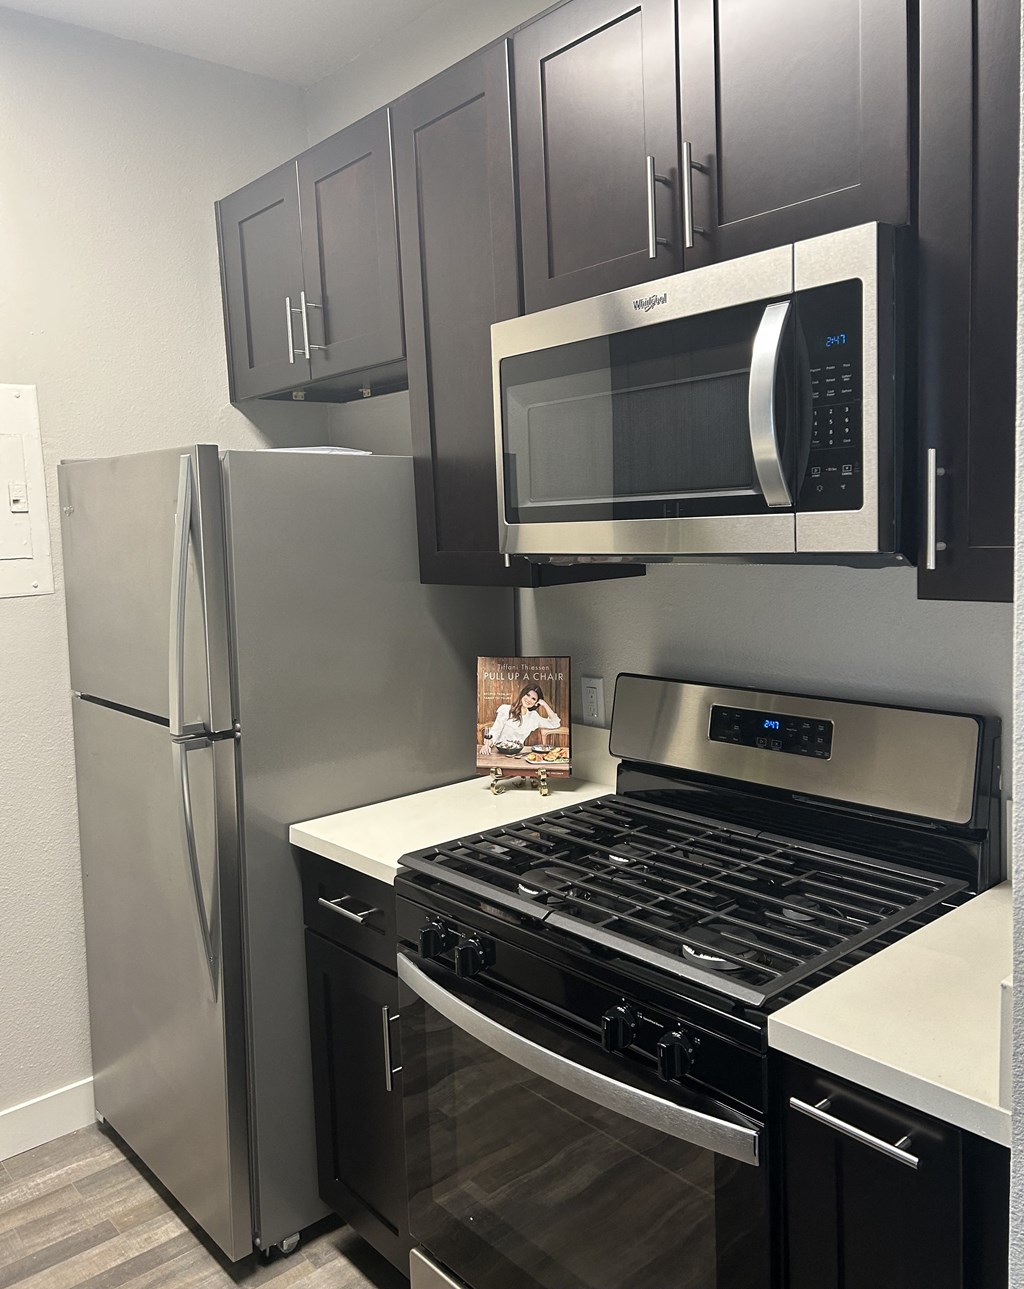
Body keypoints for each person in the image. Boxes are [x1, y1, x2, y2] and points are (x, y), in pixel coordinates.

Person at [486, 684, 561, 748]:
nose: (529, 699)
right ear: (523, 694)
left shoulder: (533, 717)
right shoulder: (506, 710)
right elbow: (495, 731)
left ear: (536, 703)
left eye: (533, 699)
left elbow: (555, 723)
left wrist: (544, 704)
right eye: (528, 695)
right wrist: (487, 745)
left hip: (517, 755)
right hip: (499, 751)